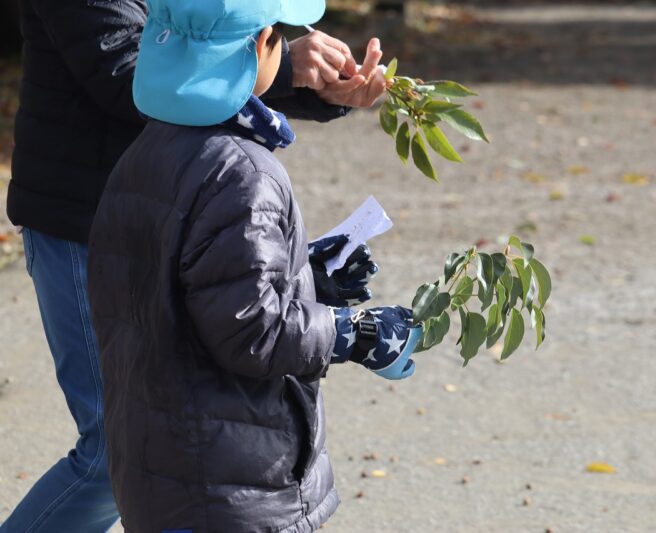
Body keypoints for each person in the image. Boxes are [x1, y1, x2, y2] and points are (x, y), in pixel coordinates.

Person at [2, 0, 387, 531]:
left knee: (170, 437)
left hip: (173, 214)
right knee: (111, 452)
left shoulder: (234, 172)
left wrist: (312, 82)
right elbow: (134, 73)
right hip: (85, 224)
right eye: (269, 35)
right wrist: (277, 66)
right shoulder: (243, 176)